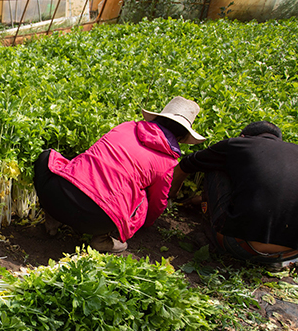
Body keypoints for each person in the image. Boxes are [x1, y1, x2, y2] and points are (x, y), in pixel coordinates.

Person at [34, 96, 205, 252]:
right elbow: (157, 203)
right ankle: (102, 239)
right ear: (182, 138)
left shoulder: (127, 127)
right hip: (99, 220)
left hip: (56, 194)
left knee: (47, 156)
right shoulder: (168, 162)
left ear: (158, 118)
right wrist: (147, 223)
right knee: (143, 198)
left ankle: (52, 218)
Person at [169, 121, 298, 269]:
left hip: (241, 245)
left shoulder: (239, 145)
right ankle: (275, 261)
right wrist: (197, 201)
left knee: (214, 166)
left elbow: (186, 164)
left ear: (243, 136)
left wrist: (171, 195)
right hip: (290, 253)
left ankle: (210, 235)